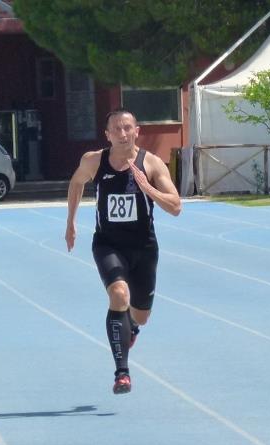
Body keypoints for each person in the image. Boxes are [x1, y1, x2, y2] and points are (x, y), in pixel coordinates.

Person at [66, 109, 181, 394]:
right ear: (107, 135)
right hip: (108, 244)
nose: (122, 133)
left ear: (137, 131)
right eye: (116, 129)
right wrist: (71, 222)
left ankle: (131, 326)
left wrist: (148, 188)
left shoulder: (151, 163)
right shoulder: (94, 161)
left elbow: (176, 206)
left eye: (127, 128)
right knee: (119, 294)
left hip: (144, 247)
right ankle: (122, 372)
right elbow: (76, 183)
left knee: (140, 316)